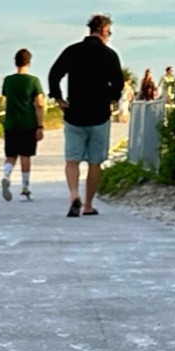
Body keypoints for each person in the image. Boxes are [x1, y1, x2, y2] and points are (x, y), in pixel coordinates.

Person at [48, 14, 125, 217]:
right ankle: (88, 205)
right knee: (94, 162)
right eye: (109, 32)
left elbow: (54, 74)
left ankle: (74, 194)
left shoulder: (72, 51)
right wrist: (111, 98)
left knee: (72, 160)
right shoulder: (110, 55)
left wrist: (58, 98)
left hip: (74, 113)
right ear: (104, 31)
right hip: (99, 115)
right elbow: (118, 84)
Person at [0, 47, 44, 202]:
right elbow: (39, 104)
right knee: (25, 156)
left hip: (11, 123)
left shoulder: (8, 80)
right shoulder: (33, 81)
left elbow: (4, 98)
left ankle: (6, 176)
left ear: (15, 62)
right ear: (29, 62)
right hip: (28, 123)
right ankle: (25, 188)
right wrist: (40, 126)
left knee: (10, 156)